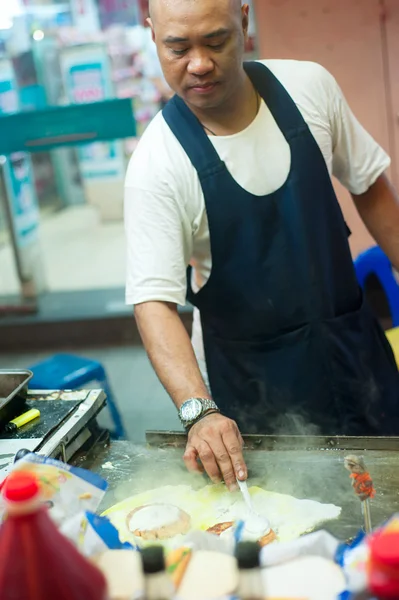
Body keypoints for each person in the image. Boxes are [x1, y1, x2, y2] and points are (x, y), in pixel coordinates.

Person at [124, 0, 399, 491]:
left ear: (244, 21)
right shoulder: (157, 165)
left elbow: (370, 186)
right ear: (152, 35)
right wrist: (199, 412)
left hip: (355, 357)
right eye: (178, 47)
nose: (199, 63)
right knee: (289, 527)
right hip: (253, 391)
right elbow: (154, 303)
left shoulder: (308, 88)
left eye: (216, 40)